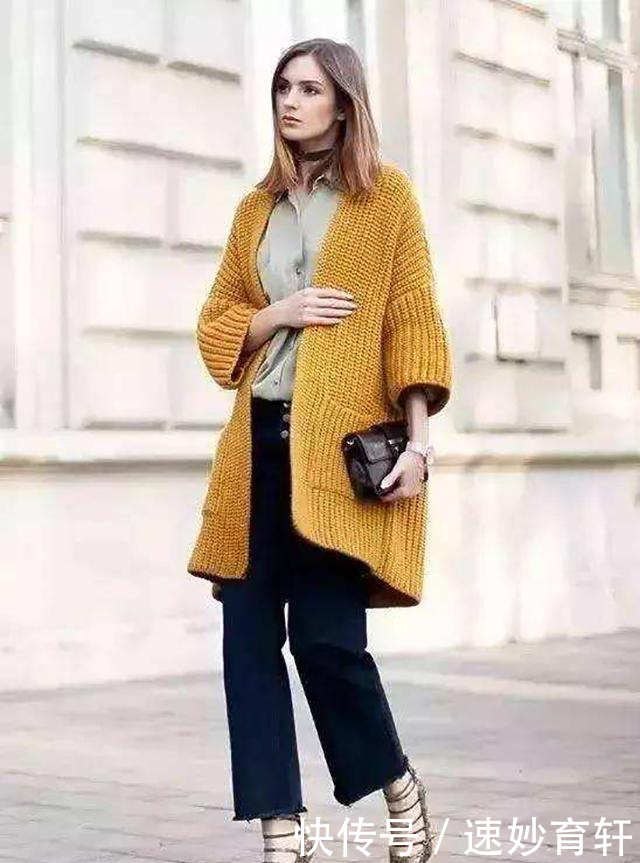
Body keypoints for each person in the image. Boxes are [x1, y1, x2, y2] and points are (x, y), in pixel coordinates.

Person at [188, 37, 453, 863]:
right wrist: (279, 313)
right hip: (256, 455)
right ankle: (283, 833)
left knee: (327, 642)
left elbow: (412, 320)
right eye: (282, 88)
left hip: (337, 460)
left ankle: (397, 785)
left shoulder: (386, 199)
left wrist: (420, 443)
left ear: (344, 103)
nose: (291, 102)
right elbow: (217, 322)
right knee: (247, 645)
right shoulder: (255, 210)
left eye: (309, 89)